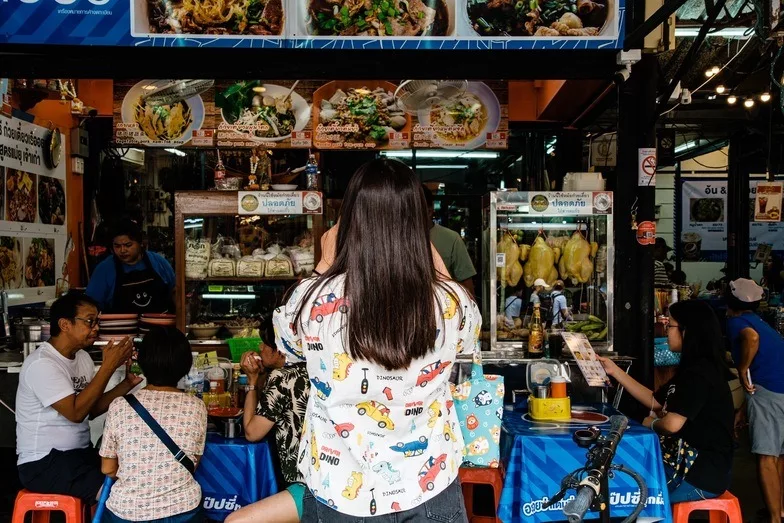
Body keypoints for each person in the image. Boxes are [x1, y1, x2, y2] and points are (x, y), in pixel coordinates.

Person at [275, 158, 479, 521]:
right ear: (420, 222)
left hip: (339, 489)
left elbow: (289, 349)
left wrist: (323, 267)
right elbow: (468, 342)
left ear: (348, 220)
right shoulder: (451, 301)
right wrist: (424, 250)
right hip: (429, 488)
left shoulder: (309, 300)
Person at [599, 300, 734, 503]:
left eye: (669, 325)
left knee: (620, 492)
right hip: (685, 466)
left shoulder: (700, 373)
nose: (665, 330)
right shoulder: (690, 370)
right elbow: (655, 401)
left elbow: (671, 424)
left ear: (687, 332)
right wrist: (614, 370)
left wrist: (650, 423)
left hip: (698, 474)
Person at [15, 293, 139, 502]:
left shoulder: (82, 358)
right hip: (44, 463)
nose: (96, 328)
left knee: (130, 474)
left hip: (77, 456)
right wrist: (107, 367)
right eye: (90, 321)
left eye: (97, 321)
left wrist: (127, 384)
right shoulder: (42, 364)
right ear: (65, 324)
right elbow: (75, 413)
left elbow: (89, 409)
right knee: (119, 495)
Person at [99, 327, 206, 522]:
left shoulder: (119, 406)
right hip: (182, 511)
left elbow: (108, 468)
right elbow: (194, 462)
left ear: (142, 361)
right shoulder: (196, 406)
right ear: (185, 365)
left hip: (127, 512)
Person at [225, 345, 309, 523]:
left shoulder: (283, 376)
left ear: (280, 349)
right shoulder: (316, 369)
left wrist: (252, 381)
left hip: (301, 484)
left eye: (265, 344)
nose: (260, 348)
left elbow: (252, 432)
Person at [726, 278, 784, 523]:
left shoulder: (736, 322)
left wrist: (742, 367)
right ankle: (779, 510)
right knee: (779, 455)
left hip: (768, 390)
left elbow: (751, 339)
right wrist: (742, 409)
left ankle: (774, 518)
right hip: (779, 389)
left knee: (766, 456)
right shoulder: (762, 322)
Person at [86, 217, 175, 313]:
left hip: (160, 326)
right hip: (119, 327)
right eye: (117, 246)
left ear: (141, 243)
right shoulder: (104, 270)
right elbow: (90, 306)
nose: (122, 250)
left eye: (128, 245)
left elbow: (175, 292)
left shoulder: (159, 262)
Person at [422, 186, 477, 296]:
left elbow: (467, 287)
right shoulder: (396, 240)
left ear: (429, 210)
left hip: (444, 309)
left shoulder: (451, 238)